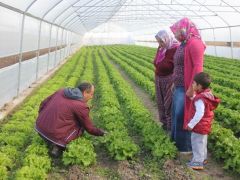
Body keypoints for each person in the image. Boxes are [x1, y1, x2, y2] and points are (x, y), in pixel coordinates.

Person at [35, 82, 105, 157]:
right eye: (91, 94)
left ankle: (50, 140)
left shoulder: (61, 91)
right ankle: (58, 147)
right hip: (54, 136)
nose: (91, 97)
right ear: (85, 93)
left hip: (39, 128)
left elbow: (43, 103)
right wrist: (101, 133)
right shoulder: (80, 106)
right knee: (80, 126)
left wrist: (42, 118)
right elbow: (89, 128)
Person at [170, 17, 205, 152]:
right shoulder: (184, 43)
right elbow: (178, 66)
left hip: (187, 87)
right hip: (179, 86)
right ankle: (176, 142)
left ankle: (185, 147)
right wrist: (174, 81)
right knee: (176, 114)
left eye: (176, 32)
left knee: (183, 115)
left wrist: (192, 88)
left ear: (184, 29)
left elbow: (198, 68)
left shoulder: (195, 43)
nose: (175, 35)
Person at [186, 72, 220, 170]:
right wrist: (193, 98)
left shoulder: (200, 99)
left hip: (199, 126)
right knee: (202, 143)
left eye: (194, 83)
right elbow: (202, 103)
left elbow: (199, 113)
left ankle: (197, 162)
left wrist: (191, 124)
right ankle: (203, 159)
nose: (192, 84)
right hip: (205, 125)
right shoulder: (207, 94)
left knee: (197, 144)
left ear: (199, 86)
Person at [153, 30, 179, 132]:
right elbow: (156, 62)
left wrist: (159, 64)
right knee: (160, 102)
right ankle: (164, 123)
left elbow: (167, 66)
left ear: (167, 39)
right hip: (159, 78)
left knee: (168, 104)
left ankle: (170, 127)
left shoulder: (174, 48)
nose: (159, 44)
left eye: (161, 42)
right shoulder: (161, 48)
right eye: (158, 42)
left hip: (169, 80)